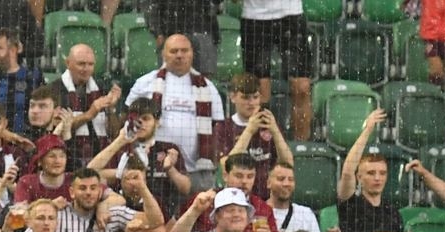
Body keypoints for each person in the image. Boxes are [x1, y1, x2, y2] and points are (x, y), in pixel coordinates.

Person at [124, 35, 222, 187]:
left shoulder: (208, 87)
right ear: (163, 54)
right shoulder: (144, 83)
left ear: (192, 53)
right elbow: (128, 122)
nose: (179, 55)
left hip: (196, 170)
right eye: (174, 51)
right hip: (153, 168)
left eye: (184, 51)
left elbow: (217, 128)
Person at [238, 0, 312, 141]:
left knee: (302, 87)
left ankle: (300, 148)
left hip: (292, 15)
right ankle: (262, 149)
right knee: (260, 92)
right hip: (254, 18)